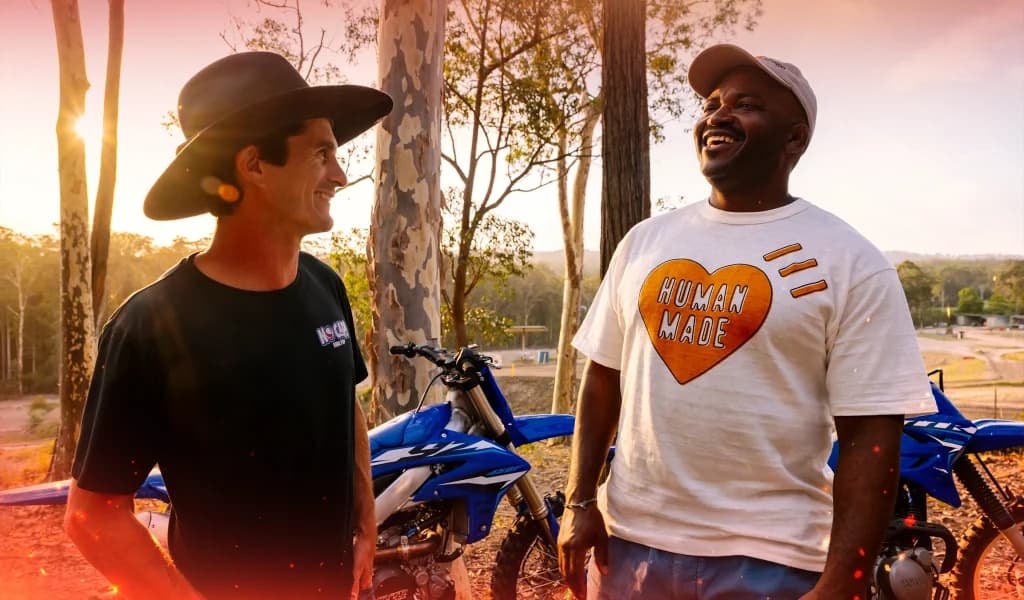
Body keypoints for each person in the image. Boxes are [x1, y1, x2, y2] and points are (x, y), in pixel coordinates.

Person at [557, 44, 937, 600]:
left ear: (794, 138)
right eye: (712, 103)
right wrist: (580, 501)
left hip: (773, 564)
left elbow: (871, 436)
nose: (718, 115)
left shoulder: (850, 261)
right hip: (629, 552)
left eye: (747, 104)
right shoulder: (644, 243)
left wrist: (845, 581)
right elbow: (603, 376)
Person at [64, 52, 393, 600]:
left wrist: (365, 520)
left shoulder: (326, 288)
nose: (339, 175)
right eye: (321, 153)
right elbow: (92, 514)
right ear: (254, 165)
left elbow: (345, 403)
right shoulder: (150, 328)